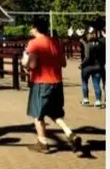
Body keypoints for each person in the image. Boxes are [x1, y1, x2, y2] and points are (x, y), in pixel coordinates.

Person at [21, 19, 82, 153]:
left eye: (32, 27)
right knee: (55, 113)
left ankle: (42, 143)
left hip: (41, 83)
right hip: (57, 83)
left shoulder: (34, 43)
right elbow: (63, 63)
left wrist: (24, 61)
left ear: (35, 28)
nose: (30, 30)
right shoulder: (55, 42)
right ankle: (71, 134)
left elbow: (31, 65)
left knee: (37, 114)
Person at [80, 32, 105, 107]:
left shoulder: (88, 46)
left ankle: (85, 99)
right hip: (98, 66)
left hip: (88, 67)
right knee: (96, 84)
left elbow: (87, 58)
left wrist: (82, 65)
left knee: (84, 82)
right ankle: (98, 101)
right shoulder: (100, 46)